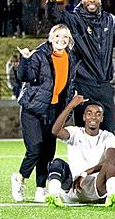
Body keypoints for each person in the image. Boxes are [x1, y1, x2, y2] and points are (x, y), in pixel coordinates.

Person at [13, 24, 77, 203]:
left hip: (53, 111)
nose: (61, 40)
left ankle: (40, 189)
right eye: (57, 36)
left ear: (69, 40)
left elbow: (68, 86)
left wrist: (66, 110)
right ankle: (19, 179)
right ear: (50, 38)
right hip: (33, 109)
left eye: (65, 37)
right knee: (34, 149)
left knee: (48, 152)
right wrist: (25, 59)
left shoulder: (70, 58)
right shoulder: (40, 55)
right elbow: (26, 77)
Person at [45, 0, 115, 133]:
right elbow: (54, 17)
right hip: (83, 84)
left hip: (105, 85)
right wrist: (52, 1)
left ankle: (107, 158)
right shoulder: (73, 19)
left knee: (109, 131)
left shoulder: (110, 20)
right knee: (84, 132)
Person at [46, 94, 115, 207]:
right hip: (73, 187)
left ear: (102, 118)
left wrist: (85, 173)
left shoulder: (107, 136)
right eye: (89, 113)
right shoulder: (75, 132)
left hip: (97, 187)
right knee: (57, 163)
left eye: (98, 114)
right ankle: (53, 195)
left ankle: (112, 196)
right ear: (84, 117)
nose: (93, 117)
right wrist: (70, 106)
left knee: (111, 163)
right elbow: (55, 131)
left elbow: (111, 159)